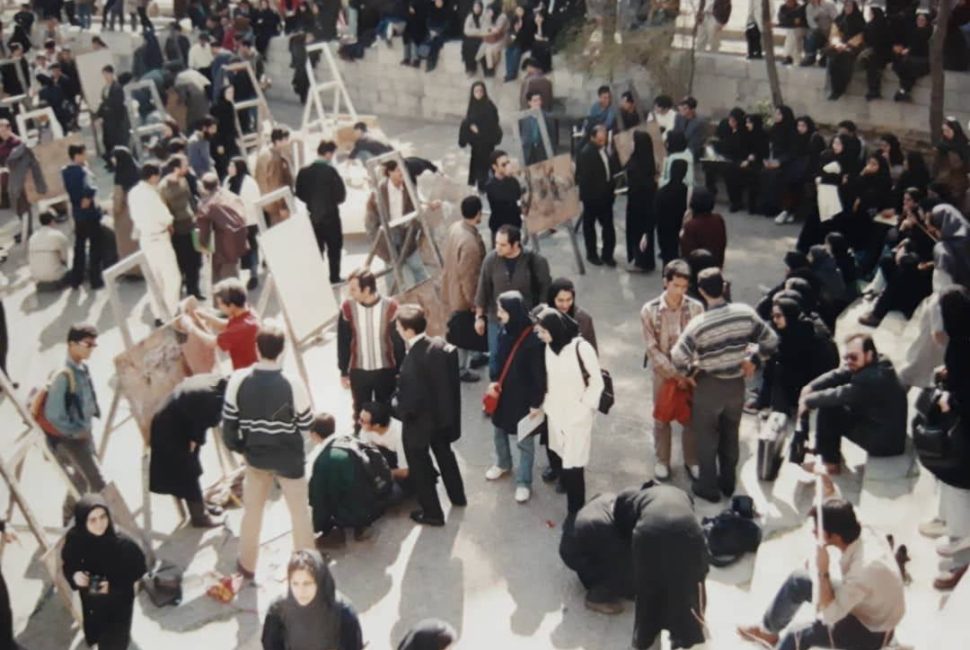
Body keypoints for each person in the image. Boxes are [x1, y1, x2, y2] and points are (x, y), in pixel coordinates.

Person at [738, 499, 905, 650]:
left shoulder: (862, 572)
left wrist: (822, 571)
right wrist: (826, 482)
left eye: (817, 529)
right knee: (799, 580)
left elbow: (830, 616)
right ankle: (768, 632)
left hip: (872, 632)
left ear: (833, 536)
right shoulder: (863, 530)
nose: (813, 532)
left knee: (797, 635)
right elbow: (837, 506)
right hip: (868, 605)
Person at [672, 268, 778, 502]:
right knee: (731, 435)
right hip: (736, 386)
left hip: (709, 386)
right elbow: (771, 339)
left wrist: (689, 373)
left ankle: (708, 487)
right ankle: (728, 482)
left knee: (707, 438)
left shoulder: (698, 324)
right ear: (723, 286)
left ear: (700, 291)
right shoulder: (745, 313)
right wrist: (754, 360)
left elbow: (678, 356)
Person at [222, 320, 316, 579]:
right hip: (289, 459)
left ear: (257, 348)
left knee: (252, 513)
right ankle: (306, 566)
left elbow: (228, 428)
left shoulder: (238, 380)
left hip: (255, 459)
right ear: (282, 349)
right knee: (299, 514)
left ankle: (247, 566)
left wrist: (243, 448)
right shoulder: (292, 382)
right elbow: (307, 424)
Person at [395, 304, 466, 526]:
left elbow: (409, 402)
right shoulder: (439, 346)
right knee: (446, 457)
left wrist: (395, 405)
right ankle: (458, 497)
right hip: (443, 419)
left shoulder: (412, 362)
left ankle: (433, 513)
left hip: (420, 425)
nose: (397, 330)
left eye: (398, 327)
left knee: (421, 468)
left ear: (408, 331)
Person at [614, 483, 709, 649]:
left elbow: (623, 529)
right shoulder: (679, 492)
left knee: (648, 587)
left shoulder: (631, 499)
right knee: (688, 584)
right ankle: (684, 635)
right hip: (689, 531)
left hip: (649, 532)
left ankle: (645, 636)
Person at [797, 333, 908, 474]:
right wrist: (811, 387)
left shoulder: (872, 378)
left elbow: (839, 395)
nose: (849, 361)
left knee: (830, 409)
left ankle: (830, 463)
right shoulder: (879, 361)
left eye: (854, 357)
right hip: (886, 428)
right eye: (846, 357)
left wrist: (808, 401)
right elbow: (841, 373)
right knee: (832, 404)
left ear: (868, 354)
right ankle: (823, 449)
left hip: (885, 443)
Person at [535, 306, 604, 515]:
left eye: (543, 332)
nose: (540, 336)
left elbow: (596, 382)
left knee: (574, 467)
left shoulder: (581, 348)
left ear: (555, 329)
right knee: (563, 459)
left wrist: (584, 409)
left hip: (577, 418)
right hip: (556, 415)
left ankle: (575, 515)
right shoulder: (550, 347)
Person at [642, 260, 705, 481]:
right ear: (665, 282)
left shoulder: (696, 308)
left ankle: (692, 460)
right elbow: (652, 348)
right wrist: (674, 374)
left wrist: (688, 373)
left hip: (690, 372)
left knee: (691, 418)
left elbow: (699, 344)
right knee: (662, 418)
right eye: (675, 285)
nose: (679, 291)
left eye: (684, 287)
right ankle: (662, 460)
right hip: (663, 372)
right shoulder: (649, 311)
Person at [61, 495, 147, 650]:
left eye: (103, 516)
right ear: (82, 521)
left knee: (113, 643)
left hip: (117, 606)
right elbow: (69, 563)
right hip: (91, 604)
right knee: (96, 634)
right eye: (92, 520)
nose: (100, 524)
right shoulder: (76, 538)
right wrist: (74, 575)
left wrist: (101, 585)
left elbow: (136, 573)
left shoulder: (123, 545)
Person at [484, 291, 545, 503]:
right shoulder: (505, 331)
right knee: (498, 431)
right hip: (503, 395)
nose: (499, 314)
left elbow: (539, 375)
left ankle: (524, 482)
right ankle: (503, 463)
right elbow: (498, 359)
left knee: (524, 442)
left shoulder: (532, 341)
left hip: (523, 399)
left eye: (502, 310)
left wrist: (536, 403)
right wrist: (493, 380)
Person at [44, 324, 107, 521]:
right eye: (87, 344)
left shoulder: (82, 368)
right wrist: (74, 432)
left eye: (93, 345)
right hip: (72, 440)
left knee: (80, 481)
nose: (91, 349)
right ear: (72, 344)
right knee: (98, 483)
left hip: (84, 433)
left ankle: (68, 516)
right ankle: (107, 527)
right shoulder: (63, 376)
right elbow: (53, 414)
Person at [149, 373, 228, 528]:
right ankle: (200, 517)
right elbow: (199, 427)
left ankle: (201, 505)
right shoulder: (211, 400)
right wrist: (194, 444)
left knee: (190, 469)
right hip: (169, 430)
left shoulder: (216, 383)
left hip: (177, 420)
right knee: (188, 472)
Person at [474, 225, 551, 377]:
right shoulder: (491, 260)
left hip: (525, 320)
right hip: (496, 319)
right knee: (496, 357)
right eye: (496, 243)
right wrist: (479, 317)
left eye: (502, 245)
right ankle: (496, 390)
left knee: (523, 357)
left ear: (516, 244)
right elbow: (483, 288)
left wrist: (540, 318)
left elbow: (545, 290)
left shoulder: (535, 261)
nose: (497, 248)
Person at [338, 268, 405, 424]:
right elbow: (343, 342)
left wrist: (400, 371)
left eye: (353, 289)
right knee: (359, 413)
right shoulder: (347, 308)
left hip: (386, 370)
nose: (350, 293)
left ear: (367, 289)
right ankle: (361, 443)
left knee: (387, 411)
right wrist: (343, 371)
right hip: (358, 371)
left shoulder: (391, 307)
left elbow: (398, 342)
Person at [307, 413, 385, 547]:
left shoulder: (323, 461)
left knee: (319, 493)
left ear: (314, 435)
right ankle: (362, 525)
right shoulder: (350, 439)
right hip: (376, 497)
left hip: (357, 510)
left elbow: (318, 499)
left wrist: (318, 526)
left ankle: (338, 531)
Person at [262, 550, 364, 650]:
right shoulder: (277, 612)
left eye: (307, 583)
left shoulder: (343, 613)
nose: (301, 591)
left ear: (319, 582)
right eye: (295, 584)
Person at [558, 491, 634, 614]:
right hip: (573, 552)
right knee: (623, 571)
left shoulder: (610, 498)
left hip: (577, 536)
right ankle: (596, 599)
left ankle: (591, 577)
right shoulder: (608, 530)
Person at [442, 195, 488, 382]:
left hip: (451, 285)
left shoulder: (456, 227)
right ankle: (461, 368)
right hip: (463, 295)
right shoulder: (470, 244)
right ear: (478, 213)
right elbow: (469, 277)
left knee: (464, 328)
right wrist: (475, 302)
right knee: (463, 330)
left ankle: (476, 356)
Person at [129, 163, 182, 323]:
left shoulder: (133, 192)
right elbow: (165, 217)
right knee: (172, 278)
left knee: (154, 279)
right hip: (159, 238)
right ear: (153, 176)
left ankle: (158, 313)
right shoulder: (150, 194)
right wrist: (169, 222)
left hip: (145, 240)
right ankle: (171, 313)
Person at [363, 159, 429, 288]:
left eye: (404, 170)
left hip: (407, 235)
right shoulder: (378, 193)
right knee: (392, 276)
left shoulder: (409, 188)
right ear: (390, 172)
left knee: (418, 269)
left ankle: (427, 295)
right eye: (399, 171)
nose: (403, 174)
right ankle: (397, 302)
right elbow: (370, 224)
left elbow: (418, 208)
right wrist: (379, 246)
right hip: (388, 237)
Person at [181, 278, 261, 370]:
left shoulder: (242, 328)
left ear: (231, 305)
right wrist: (206, 316)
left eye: (220, 304)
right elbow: (227, 325)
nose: (219, 307)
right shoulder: (248, 314)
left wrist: (190, 327)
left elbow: (212, 342)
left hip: (246, 375)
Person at [295, 140, 346, 284]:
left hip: (313, 217)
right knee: (334, 248)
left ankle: (317, 280)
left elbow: (299, 193)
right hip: (331, 216)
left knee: (317, 250)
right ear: (329, 154)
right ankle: (334, 277)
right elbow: (341, 195)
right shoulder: (331, 171)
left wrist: (311, 202)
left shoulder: (304, 172)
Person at [159, 155, 202, 301]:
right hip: (177, 228)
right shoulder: (164, 187)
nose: (187, 167)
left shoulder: (184, 180)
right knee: (182, 261)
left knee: (195, 260)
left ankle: (194, 290)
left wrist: (196, 213)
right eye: (184, 165)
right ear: (176, 168)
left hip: (190, 224)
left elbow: (190, 198)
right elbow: (163, 208)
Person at [61, 143, 103, 290]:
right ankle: (95, 279)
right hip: (90, 213)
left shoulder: (65, 171)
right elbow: (90, 187)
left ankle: (76, 278)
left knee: (79, 246)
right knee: (95, 246)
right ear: (78, 155)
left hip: (77, 213)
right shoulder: (82, 171)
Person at [576, 125, 618, 266]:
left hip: (606, 196)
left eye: (604, 139)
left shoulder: (604, 150)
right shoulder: (586, 153)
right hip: (593, 197)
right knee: (589, 226)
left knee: (608, 227)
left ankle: (608, 255)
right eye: (599, 140)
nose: (602, 142)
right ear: (592, 137)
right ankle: (592, 254)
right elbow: (585, 178)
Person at [359, 401, 412, 498]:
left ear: (376, 425)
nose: (359, 422)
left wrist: (381, 475)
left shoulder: (399, 434)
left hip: (406, 469)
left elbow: (405, 471)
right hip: (386, 465)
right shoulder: (366, 430)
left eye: (363, 421)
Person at [225, 157, 263, 289]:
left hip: (248, 221)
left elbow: (253, 202)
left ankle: (254, 275)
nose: (229, 169)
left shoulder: (249, 183)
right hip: (234, 222)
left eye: (232, 166)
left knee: (251, 248)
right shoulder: (228, 181)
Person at [459, 82, 502, 190]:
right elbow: (469, 120)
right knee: (477, 164)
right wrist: (470, 126)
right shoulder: (472, 105)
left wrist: (479, 131)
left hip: (486, 142)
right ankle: (481, 185)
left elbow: (493, 124)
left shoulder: (489, 106)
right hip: (476, 144)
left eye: (480, 91)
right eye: (476, 91)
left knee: (485, 164)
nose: (478, 93)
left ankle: (486, 186)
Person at [625, 130, 658, 271]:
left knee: (637, 232)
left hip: (638, 204)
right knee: (646, 232)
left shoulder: (636, 163)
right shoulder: (648, 160)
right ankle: (646, 261)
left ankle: (641, 261)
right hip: (648, 202)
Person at [825, 0, 865, 100]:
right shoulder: (840, 19)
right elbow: (834, 33)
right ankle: (835, 89)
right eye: (846, 5)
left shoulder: (860, 20)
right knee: (832, 59)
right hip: (839, 46)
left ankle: (841, 88)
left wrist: (847, 45)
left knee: (845, 58)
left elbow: (861, 35)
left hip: (853, 48)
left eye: (850, 5)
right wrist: (837, 43)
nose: (847, 7)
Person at [255, 127, 295, 225]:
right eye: (285, 140)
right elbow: (276, 184)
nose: (288, 142)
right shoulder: (275, 159)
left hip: (267, 203)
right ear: (277, 141)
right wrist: (283, 206)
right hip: (276, 207)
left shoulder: (264, 153)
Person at [679, 188, 727, 269]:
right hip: (716, 263)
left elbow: (686, 251)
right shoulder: (718, 219)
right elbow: (722, 242)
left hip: (698, 268)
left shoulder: (691, 225)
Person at [483, 150, 523, 242]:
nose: (507, 167)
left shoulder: (513, 181)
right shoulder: (490, 186)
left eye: (508, 163)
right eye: (503, 165)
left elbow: (519, 196)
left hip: (514, 226)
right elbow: (505, 198)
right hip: (500, 229)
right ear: (495, 167)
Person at [655, 158, 689, 267]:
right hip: (677, 226)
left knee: (667, 255)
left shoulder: (662, 192)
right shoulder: (684, 189)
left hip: (664, 228)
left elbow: (656, 211)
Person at [110, 147, 141, 268]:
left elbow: (118, 202)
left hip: (126, 213)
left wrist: (114, 211)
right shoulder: (138, 170)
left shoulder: (119, 175)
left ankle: (133, 269)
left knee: (128, 242)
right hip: (139, 209)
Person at [891, 11, 931, 102]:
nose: (920, 21)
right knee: (902, 65)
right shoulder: (915, 30)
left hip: (922, 60)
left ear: (926, 21)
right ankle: (904, 91)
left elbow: (920, 46)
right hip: (912, 58)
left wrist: (909, 50)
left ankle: (903, 91)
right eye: (918, 19)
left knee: (907, 67)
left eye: (922, 20)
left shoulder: (927, 31)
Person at [95, 65, 129, 165]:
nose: (106, 77)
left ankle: (120, 161)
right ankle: (110, 161)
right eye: (104, 75)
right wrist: (99, 115)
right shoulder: (105, 88)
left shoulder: (117, 87)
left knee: (116, 141)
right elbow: (103, 103)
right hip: (107, 120)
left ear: (111, 74)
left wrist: (107, 110)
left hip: (115, 120)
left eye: (107, 74)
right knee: (107, 141)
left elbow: (117, 104)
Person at [29, 209, 70, 289]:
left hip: (37, 276)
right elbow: (64, 259)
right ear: (52, 221)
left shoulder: (32, 237)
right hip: (54, 276)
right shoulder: (58, 235)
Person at [801, 0, 838, 66]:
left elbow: (836, 20)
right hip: (818, 33)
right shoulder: (809, 8)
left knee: (823, 63)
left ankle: (824, 56)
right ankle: (811, 56)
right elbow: (811, 23)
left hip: (830, 33)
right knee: (811, 34)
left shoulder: (829, 4)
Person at [673, 96, 704, 162]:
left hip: (691, 150)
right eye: (681, 107)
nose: (682, 110)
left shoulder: (699, 122)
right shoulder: (678, 117)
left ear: (692, 110)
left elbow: (695, 144)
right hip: (678, 147)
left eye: (685, 108)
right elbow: (675, 133)